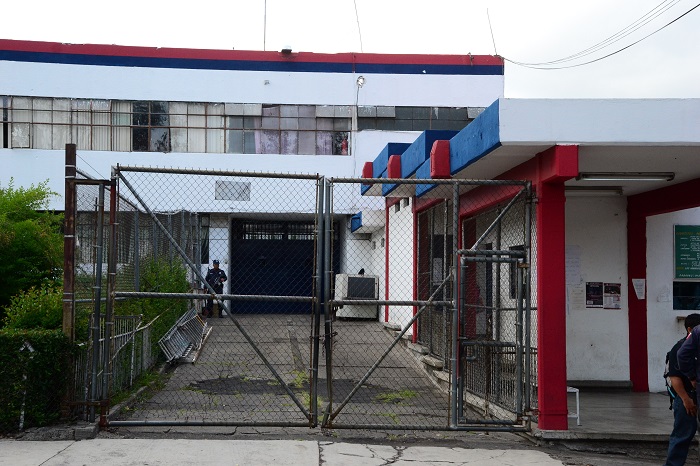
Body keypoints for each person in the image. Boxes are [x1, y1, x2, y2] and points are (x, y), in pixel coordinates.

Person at [667, 313, 700, 466]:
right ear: (689, 330)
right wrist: (686, 399)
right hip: (686, 397)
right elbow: (674, 378)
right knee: (682, 435)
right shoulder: (679, 348)